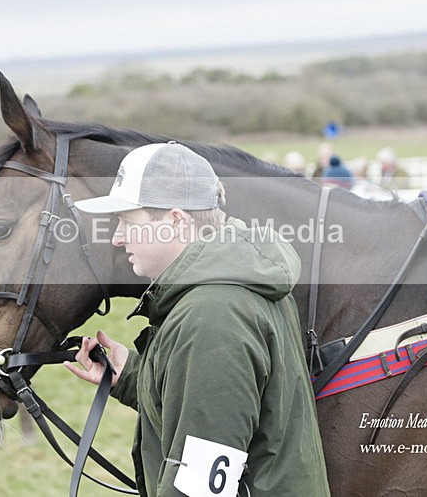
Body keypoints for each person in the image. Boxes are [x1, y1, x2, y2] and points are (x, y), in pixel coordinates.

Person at [66, 142, 329, 496]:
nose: (116, 237)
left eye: (128, 222)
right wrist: (130, 376)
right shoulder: (232, 284)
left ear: (176, 221)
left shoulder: (213, 316)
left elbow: (200, 488)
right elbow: (217, 408)